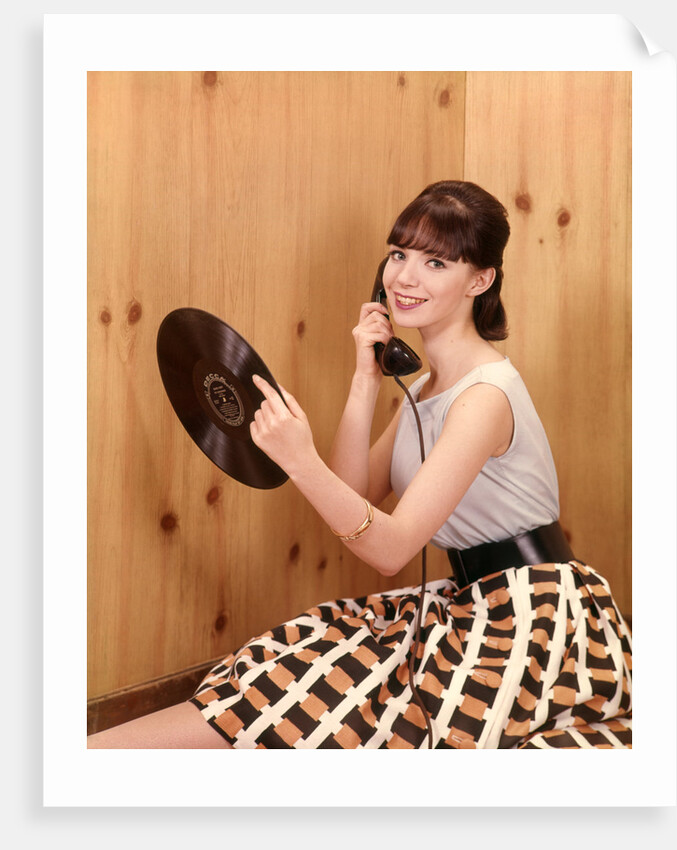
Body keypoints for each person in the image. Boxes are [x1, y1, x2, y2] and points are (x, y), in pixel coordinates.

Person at [88, 180, 632, 749]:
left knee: (323, 701)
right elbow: (354, 495)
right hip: (467, 602)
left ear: (480, 279)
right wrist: (365, 379)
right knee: (286, 665)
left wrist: (301, 461)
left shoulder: (485, 398)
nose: (404, 277)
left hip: (533, 618)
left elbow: (390, 551)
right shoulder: (425, 387)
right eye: (398, 255)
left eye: (435, 262)